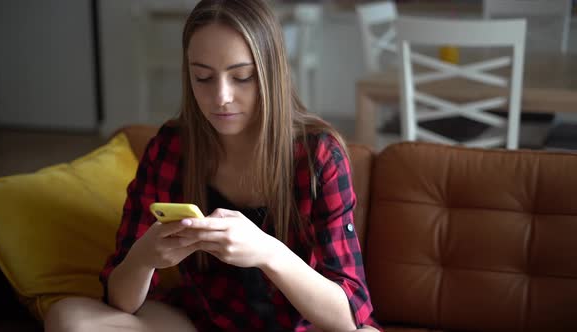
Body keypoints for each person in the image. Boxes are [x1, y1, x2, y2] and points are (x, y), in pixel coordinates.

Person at [45, 0, 381, 331]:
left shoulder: (318, 155)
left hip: (298, 326)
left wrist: (267, 252)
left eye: (242, 77)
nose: (221, 97)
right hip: (201, 321)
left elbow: (348, 316)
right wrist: (144, 257)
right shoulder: (171, 148)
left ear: (270, 73)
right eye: (203, 78)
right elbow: (119, 301)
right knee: (69, 317)